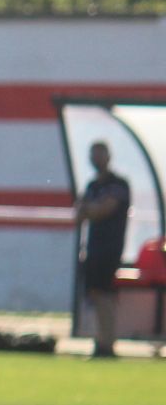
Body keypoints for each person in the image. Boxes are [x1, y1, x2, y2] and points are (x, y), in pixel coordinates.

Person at [76, 140, 131, 359]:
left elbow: (104, 210)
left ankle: (108, 343)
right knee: (95, 294)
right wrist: (90, 209)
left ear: (108, 156)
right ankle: (101, 341)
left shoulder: (118, 184)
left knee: (106, 294)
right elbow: (80, 213)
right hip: (93, 248)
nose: (95, 159)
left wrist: (90, 209)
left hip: (110, 249)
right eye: (92, 155)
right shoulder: (92, 186)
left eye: (99, 154)